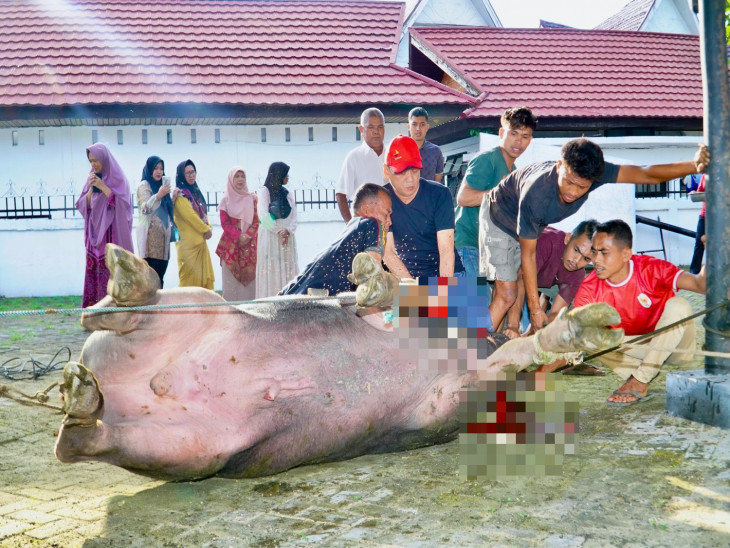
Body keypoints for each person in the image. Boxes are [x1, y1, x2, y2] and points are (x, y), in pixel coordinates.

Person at [479, 138, 710, 334]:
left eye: (582, 187)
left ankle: (493, 346)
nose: (572, 192)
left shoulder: (597, 173)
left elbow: (645, 174)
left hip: (529, 225)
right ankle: (467, 356)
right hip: (499, 216)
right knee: (507, 293)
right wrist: (536, 309)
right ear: (559, 166)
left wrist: (694, 166)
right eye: (568, 182)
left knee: (508, 288)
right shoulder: (537, 194)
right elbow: (528, 255)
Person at [573, 220, 706, 406]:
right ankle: (641, 375)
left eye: (604, 253)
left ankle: (640, 379)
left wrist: (714, 252)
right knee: (581, 332)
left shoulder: (652, 268)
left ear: (626, 254)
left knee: (679, 306)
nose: (596, 260)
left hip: (675, 349)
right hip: (637, 352)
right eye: (594, 252)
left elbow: (702, 285)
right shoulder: (589, 286)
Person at [455, 107, 537, 278]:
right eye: (513, 133)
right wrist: (499, 191)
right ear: (501, 133)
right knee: (471, 304)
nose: (518, 141)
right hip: (467, 245)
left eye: (525, 136)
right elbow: (463, 198)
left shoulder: (514, 172)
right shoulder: (488, 159)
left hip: (488, 249)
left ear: (530, 140)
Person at [280, 183, 391, 296]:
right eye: (386, 214)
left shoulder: (353, 231)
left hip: (288, 298)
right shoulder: (373, 223)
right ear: (366, 210)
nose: (389, 222)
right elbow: (372, 280)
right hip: (304, 306)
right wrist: (403, 309)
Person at [382, 135, 464, 279]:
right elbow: (388, 254)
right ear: (387, 171)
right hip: (406, 276)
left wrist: (443, 292)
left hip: (450, 273)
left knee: (478, 297)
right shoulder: (382, 199)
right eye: (402, 173)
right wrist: (412, 289)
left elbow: (446, 250)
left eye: (414, 171)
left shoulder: (440, 194)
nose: (410, 179)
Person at [505, 220, 597, 338]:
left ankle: (531, 333)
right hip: (511, 265)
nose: (576, 260)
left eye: (586, 259)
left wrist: (542, 333)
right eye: (576, 250)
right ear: (568, 238)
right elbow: (521, 280)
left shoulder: (578, 273)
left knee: (563, 317)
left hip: (544, 278)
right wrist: (513, 326)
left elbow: (555, 312)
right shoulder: (546, 242)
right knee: (502, 303)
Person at [76, 143, 134, 308]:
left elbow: (123, 206)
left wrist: (103, 187)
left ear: (104, 159)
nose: (93, 164)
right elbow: (82, 205)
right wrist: (90, 190)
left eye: (96, 160)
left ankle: (114, 313)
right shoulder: (91, 177)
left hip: (111, 237)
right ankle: (94, 314)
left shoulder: (119, 179)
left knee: (112, 275)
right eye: (90, 161)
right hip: (95, 242)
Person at [216, 166, 259, 301]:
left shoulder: (252, 198)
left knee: (250, 289)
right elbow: (225, 223)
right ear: (231, 179)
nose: (240, 179)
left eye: (243, 176)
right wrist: (238, 236)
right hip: (231, 249)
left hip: (250, 247)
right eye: (237, 176)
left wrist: (248, 236)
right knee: (231, 289)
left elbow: (257, 220)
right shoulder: (225, 200)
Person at [336, 107, 386, 222]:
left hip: (390, 224)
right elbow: (341, 194)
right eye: (371, 127)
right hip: (364, 224)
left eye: (380, 127)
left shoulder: (391, 155)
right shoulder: (354, 157)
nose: (376, 131)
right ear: (361, 129)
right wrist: (350, 226)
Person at [256, 162, 298, 298]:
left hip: (286, 239)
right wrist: (279, 231)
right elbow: (263, 216)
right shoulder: (264, 192)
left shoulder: (288, 193)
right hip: (271, 238)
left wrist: (288, 231)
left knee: (286, 269)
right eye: (286, 173)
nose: (288, 177)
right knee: (272, 270)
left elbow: (294, 216)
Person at [174, 159, 214, 290]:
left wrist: (209, 228)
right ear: (181, 175)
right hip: (188, 249)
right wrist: (205, 230)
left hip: (201, 245)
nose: (191, 176)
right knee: (188, 286)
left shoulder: (196, 193)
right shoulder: (180, 195)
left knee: (205, 286)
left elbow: (204, 213)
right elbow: (190, 216)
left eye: (193, 172)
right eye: (187, 173)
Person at [136, 156, 174, 288]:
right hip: (149, 247)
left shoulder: (162, 188)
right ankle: (149, 309)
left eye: (161, 168)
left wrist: (171, 197)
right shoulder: (144, 186)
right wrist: (158, 196)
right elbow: (145, 209)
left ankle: (158, 309)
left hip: (163, 247)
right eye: (156, 168)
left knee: (160, 283)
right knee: (150, 284)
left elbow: (166, 211)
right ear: (149, 169)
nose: (159, 171)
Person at [407, 106, 444, 183]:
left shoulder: (436, 151)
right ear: (408, 127)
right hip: (405, 195)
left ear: (427, 127)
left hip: (429, 194)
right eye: (414, 124)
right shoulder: (401, 150)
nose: (418, 128)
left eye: (422, 124)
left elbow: (437, 182)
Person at [689, 173, 706, 274]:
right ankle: (694, 272)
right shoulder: (705, 176)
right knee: (699, 243)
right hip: (704, 215)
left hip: (720, 216)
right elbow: (700, 193)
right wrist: (694, 193)